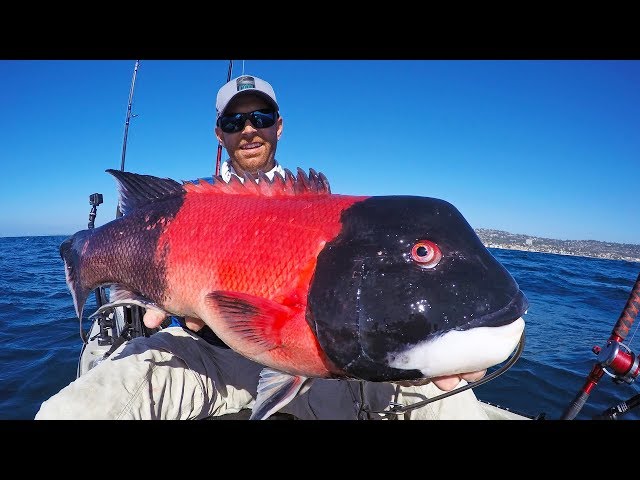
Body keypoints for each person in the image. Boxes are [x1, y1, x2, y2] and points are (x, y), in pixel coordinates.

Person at [35, 74, 490, 420]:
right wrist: (156, 299)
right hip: (207, 355)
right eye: (234, 121)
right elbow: (193, 305)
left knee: (450, 401)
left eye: (261, 118)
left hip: (313, 367)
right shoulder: (188, 205)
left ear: (279, 127)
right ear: (220, 133)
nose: (249, 129)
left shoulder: (321, 211)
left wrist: (452, 337)